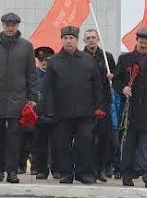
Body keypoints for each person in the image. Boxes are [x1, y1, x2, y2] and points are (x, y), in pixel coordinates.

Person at [0, 12, 38, 184]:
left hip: (17, 99)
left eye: (13, 25)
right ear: (2, 25)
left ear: (18, 26)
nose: (10, 28)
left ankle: (12, 172)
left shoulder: (26, 46)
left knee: (14, 138)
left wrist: (32, 97)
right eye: (7, 24)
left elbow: (31, 75)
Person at [46, 26, 106, 184]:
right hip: (62, 112)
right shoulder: (53, 61)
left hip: (85, 112)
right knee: (63, 144)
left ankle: (85, 173)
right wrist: (50, 109)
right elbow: (48, 88)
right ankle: (66, 173)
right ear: (62, 40)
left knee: (85, 143)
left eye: (71, 38)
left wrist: (99, 106)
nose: (68, 41)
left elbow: (97, 85)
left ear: (77, 40)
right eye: (65, 38)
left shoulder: (88, 60)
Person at [112, 28, 147, 188]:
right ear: (136, 41)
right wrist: (123, 88)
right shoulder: (125, 59)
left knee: (146, 146)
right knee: (128, 145)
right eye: (141, 42)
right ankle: (127, 175)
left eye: (146, 43)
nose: (143, 45)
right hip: (129, 112)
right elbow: (115, 81)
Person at [82, 28, 115, 182]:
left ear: (98, 39)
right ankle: (88, 169)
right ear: (84, 41)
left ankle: (101, 169)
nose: (91, 40)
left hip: (104, 103)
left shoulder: (107, 58)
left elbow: (117, 79)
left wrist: (112, 77)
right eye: (88, 38)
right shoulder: (80, 57)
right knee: (87, 139)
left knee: (104, 138)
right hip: (86, 104)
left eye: (93, 37)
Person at [31, 46, 58, 180]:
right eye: (41, 59)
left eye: (47, 59)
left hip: (55, 114)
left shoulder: (57, 74)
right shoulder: (33, 76)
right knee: (39, 145)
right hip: (39, 115)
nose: (44, 62)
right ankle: (41, 169)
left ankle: (56, 169)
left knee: (57, 145)